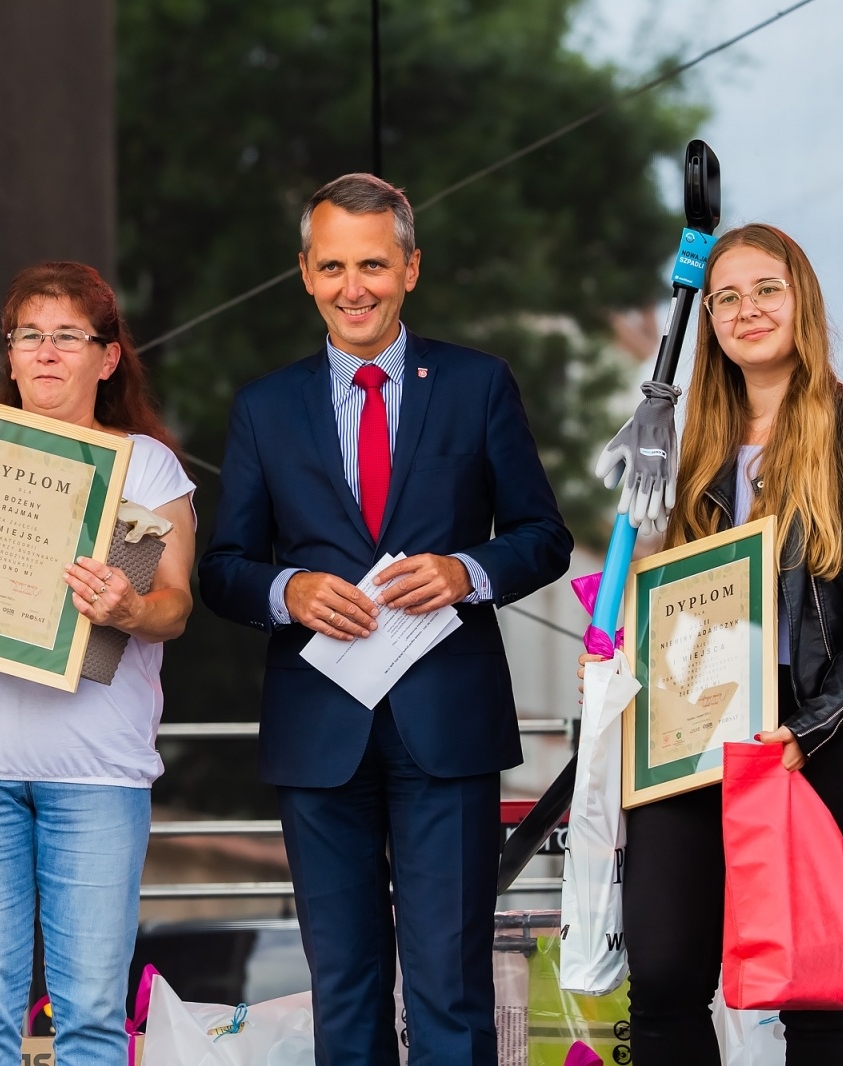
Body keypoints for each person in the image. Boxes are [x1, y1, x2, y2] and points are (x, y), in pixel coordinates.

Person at [199, 173, 573, 1064]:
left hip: (447, 727)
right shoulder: (265, 406)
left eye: (372, 264)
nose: (352, 286)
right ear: (305, 274)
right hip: (319, 730)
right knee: (345, 987)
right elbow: (222, 569)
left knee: (451, 985)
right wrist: (287, 591)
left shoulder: (478, 385)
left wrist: (466, 571)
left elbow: (544, 536)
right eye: (332, 266)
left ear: (411, 268)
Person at [604, 223, 843, 1065]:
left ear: (802, 301)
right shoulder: (693, 445)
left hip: (811, 729)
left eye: (766, 290)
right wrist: (618, 655)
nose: (746, 310)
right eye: (726, 298)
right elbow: (668, 597)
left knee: (809, 987)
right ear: (709, 319)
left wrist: (814, 724)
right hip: (695, 725)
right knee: (664, 977)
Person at [0, 261, 196, 1065]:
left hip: (98, 769)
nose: (47, 352)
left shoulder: (145, 465)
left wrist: (128, 609)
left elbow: (175, 608)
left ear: (108, 358)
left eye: (68, 337)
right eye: (29, 336)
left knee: (91, 1015)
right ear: (10, 354)